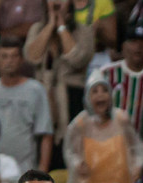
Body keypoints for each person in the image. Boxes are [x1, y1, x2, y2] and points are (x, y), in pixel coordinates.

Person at [65, 74, 143, 183]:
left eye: (104, 90)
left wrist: (138, 165)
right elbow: (71, 152)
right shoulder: (80, 124)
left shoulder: (121, 119)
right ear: (88, 97)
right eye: (95, 91)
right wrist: (78, 164)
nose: (100, 95)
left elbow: (137, 148)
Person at [0, 38, 54, 173]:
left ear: (21, 60)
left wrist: (42, 173)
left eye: (14, 56)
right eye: (4, 56)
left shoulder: (36, 90)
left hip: (25, 171)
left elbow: (46, 134)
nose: (9, 61)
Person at [23, 0, 95, 133]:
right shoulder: (37, 29)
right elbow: (31, 57)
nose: (56, 2)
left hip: (73, 97)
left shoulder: (84, 30)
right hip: (42, 95)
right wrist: (50, 25)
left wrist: (61, 27)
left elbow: (78, 59)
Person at [100, 25, 143, 138]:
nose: (138, 46)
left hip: (142, 142)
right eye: (133, 41)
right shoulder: (107, 72)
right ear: (123, 46)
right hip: (109, 140)